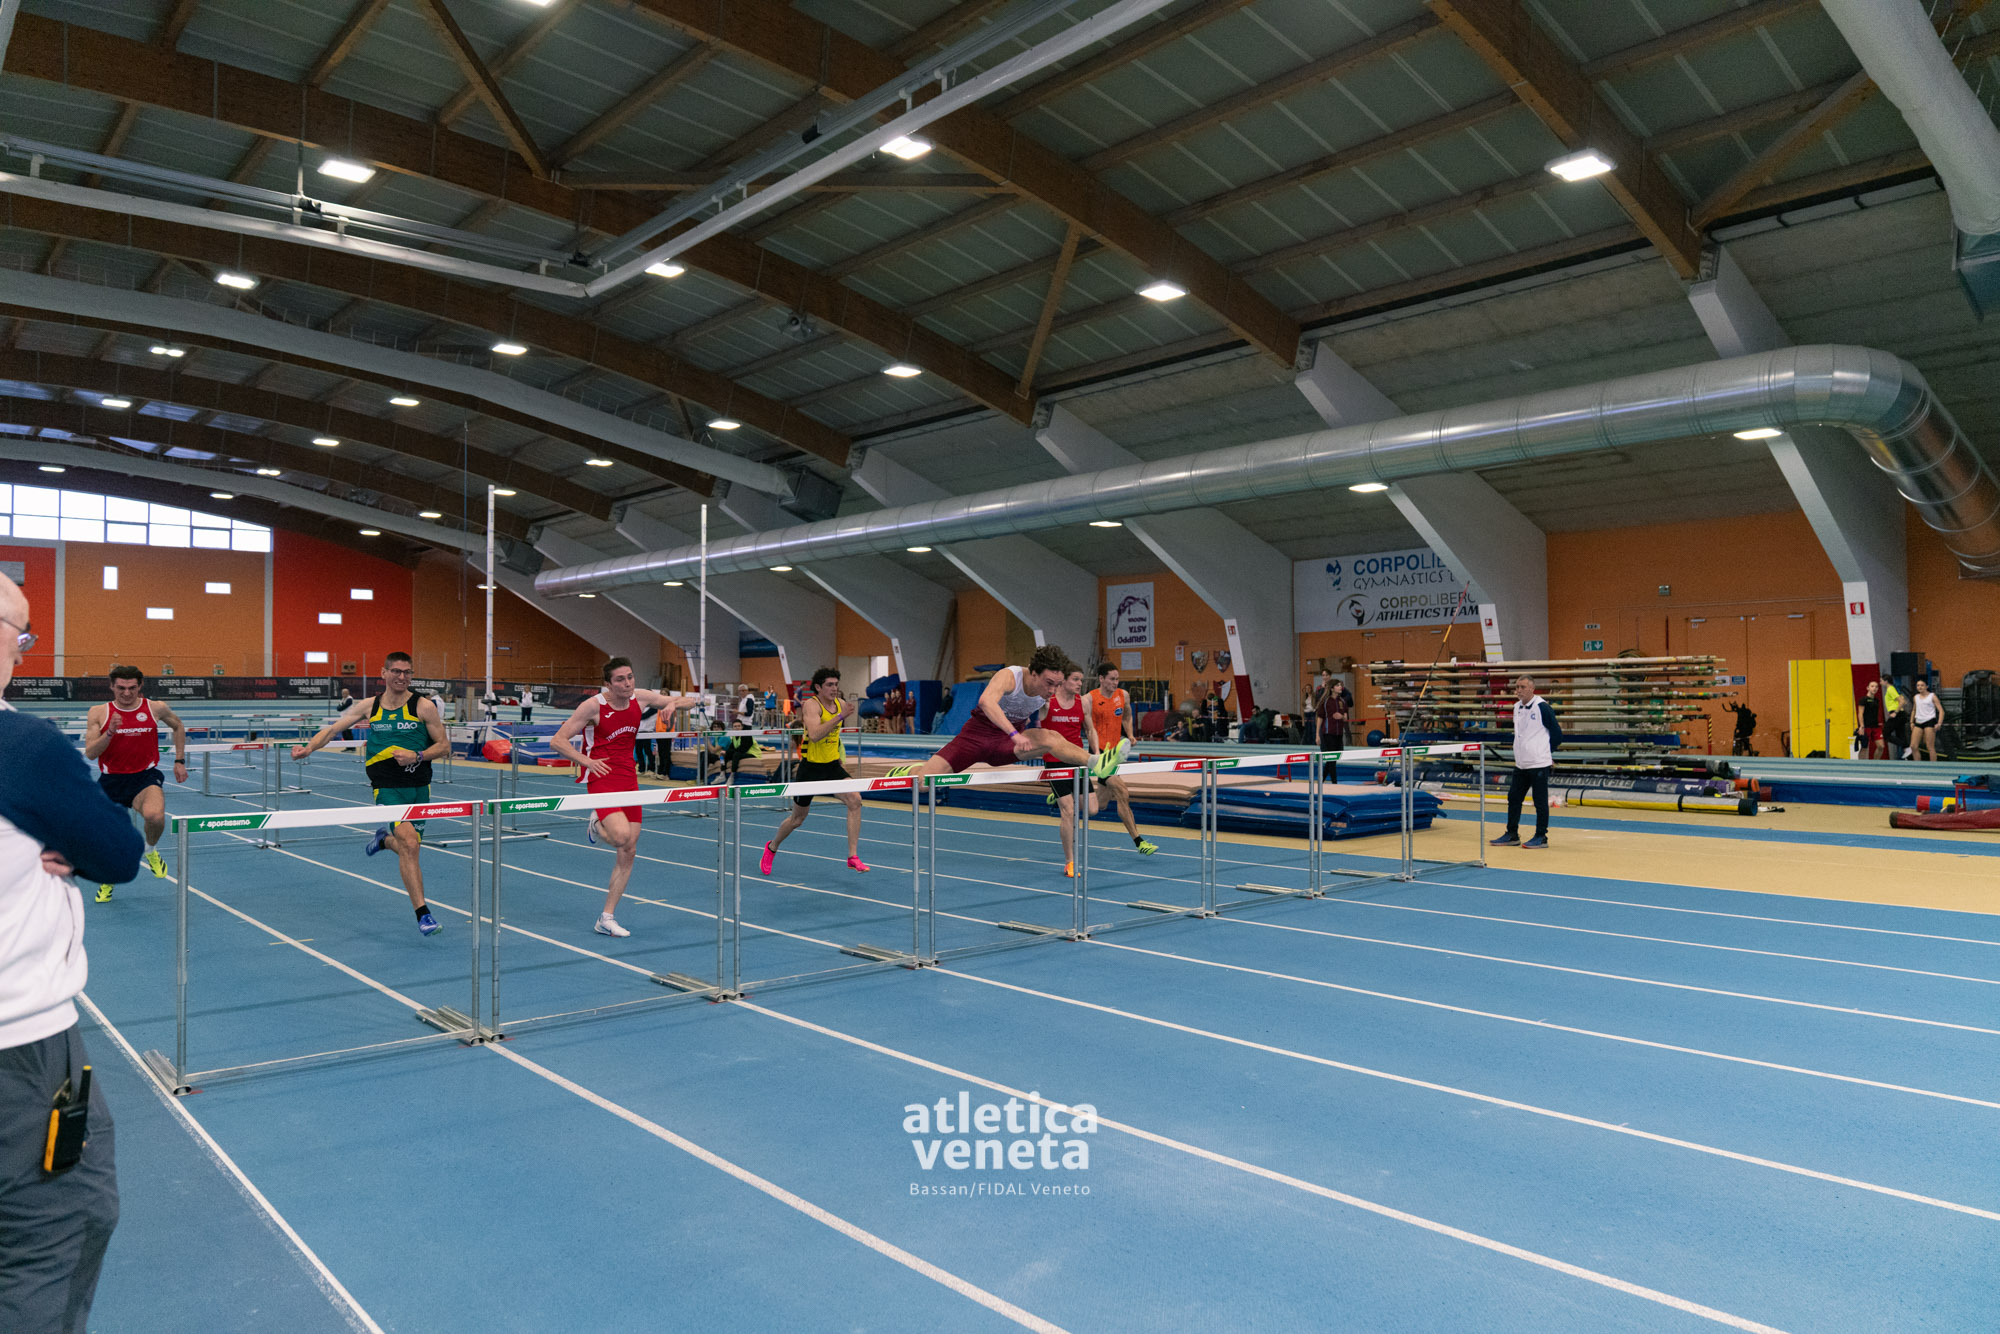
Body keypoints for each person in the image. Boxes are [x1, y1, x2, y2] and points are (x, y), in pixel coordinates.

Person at [0, 569, 139, 1333]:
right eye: (20, 635)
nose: (23, 652)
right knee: (57, 1234)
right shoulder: (20, 745)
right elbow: (116, 852)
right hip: (22, 1051)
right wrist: (70, 839)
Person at [293, 653, 450, 936]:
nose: (401, 677)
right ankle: (423, 915)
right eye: (396, 671)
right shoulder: (370, 706)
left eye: (407, 672)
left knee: (410, 846)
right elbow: (333, 729)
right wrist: (309, 748)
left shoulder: (423, 706)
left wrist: (417, 755)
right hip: (386, 786)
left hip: (419, 786)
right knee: (410, 844)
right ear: (384, 673)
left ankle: (383, 840)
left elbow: (444, 746)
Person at [548, 659, 702, 938]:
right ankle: (596, 824)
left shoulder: (640, 697)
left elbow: (691, 701)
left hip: (629, 778)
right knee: (620, 837)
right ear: (608, 684)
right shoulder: (593, 706)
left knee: (629, 849)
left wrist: (672, 704)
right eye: (620, 679)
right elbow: (557, 740)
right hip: (602, 776)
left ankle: (606, 917)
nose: (627, 683)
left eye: (630, 677)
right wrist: (586, 761)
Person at [889, 646, 1126, 782]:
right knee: (924, 783)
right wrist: (1014, 733)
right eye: (1049, 683)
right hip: (976, 738)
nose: (1052, 690)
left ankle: (1096, 762)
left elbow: (1048, 719)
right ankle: (912, 769)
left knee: (1051, 737)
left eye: (1058, 684)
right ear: (1033, 673)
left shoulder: (1049, 691)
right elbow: (986, 702)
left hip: (1006, 746)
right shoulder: (1011, 676)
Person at [80, 665, 188, 903]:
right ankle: (108, 879)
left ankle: (150, 850)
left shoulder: (155, 707)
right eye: (121, 688)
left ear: (140, 686)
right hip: (112, 780)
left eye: (132, 688)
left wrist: (179, 760)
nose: (126, 693)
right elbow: (90, 753)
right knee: (109, 838)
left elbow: (178, 726)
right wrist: (110, 732)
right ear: (112, 686)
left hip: (144, 777)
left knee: (155, 816)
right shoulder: (98, 712)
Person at [759, 668, 868, 876]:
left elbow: (835, 736)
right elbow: (816, 734)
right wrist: (840, 716)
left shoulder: (841, 704)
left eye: (836, 684)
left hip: (832, 766)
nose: (834, 689)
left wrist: (839, 755)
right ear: (818, 687)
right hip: (810, 768)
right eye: (829, 685)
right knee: (797, 819)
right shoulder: (811, 705)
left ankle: (852, 856)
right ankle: (772, 847)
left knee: (855, 800)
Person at [1085, 664, 1158, 859]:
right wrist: (1095, 754)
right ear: (1101, 679)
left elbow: (1127, 715)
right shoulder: (1090, 698)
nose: (1115, 683)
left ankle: (1066, 797)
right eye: (1111, 679)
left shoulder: (1123, 695)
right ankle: (1139, 842)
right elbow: (1087, 727)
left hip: (1115, 753)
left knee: (1100, 805)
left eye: (1117, 679)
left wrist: (1130, 734)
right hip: (1100, 754)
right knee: (1122, 792)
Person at [1491, 675, 1561, 850]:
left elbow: (1557, 734)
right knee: (1514, 797)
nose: (1519, 690)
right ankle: (1512, 833)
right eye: (1517, 687)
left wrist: (1546, 752)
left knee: (1540, 801)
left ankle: (1541, 836)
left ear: (1532, 688)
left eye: (1522, 687)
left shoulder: (1542, 707)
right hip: (1521, 763)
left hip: (1538, 763)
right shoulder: (1516, 707)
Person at [1910, 678, 1942, 761]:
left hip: (1929, 721)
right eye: (1918, 685)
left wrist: (1939, 723)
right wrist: (1911, 722)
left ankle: (1933, 765)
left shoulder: (1932, 696)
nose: (1920, 687)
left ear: (1926, 686)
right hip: (1918, 721)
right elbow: (1914, 710)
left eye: (1922, 685)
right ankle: (1918, 765)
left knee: (1930, 746)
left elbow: (1941, 711)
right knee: (1913, 746)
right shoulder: (1916, 697)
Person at [1856, 679, 1887, 760]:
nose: (1874, 688)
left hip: (1875, 726)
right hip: (1866, 726)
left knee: (1881, 746)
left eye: (1876, 687)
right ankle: (1861, 765)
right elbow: (1860, 713)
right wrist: (1861, 726)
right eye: (1872, 686)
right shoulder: (1863, 700)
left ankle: (1875, 763)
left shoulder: (1877, 700)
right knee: (1865, 747)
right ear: (1868, 688)